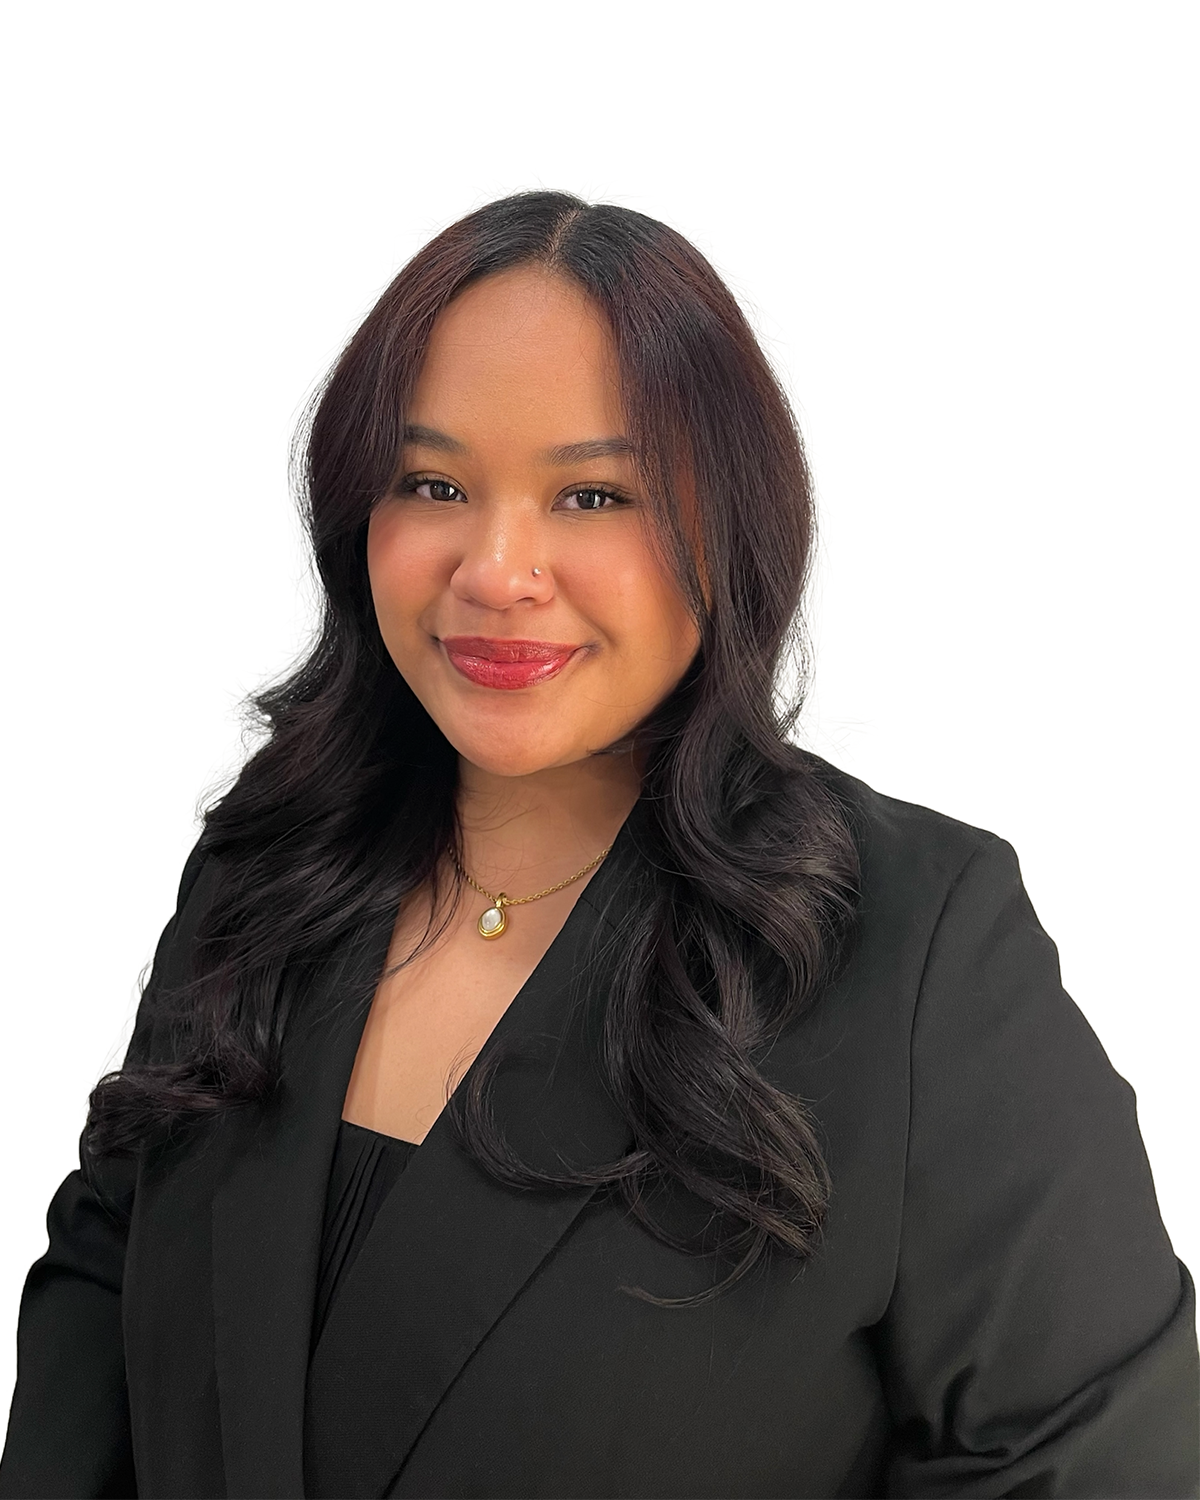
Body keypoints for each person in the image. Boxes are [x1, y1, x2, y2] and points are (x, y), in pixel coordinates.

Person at [0, 190, 1195, 1500]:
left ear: (726, 527)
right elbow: (107, 1291)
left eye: (591, 494)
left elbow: (1090, 1463)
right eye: (436, 484)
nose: (497, 570)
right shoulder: (270, 867)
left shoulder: (920, 954)